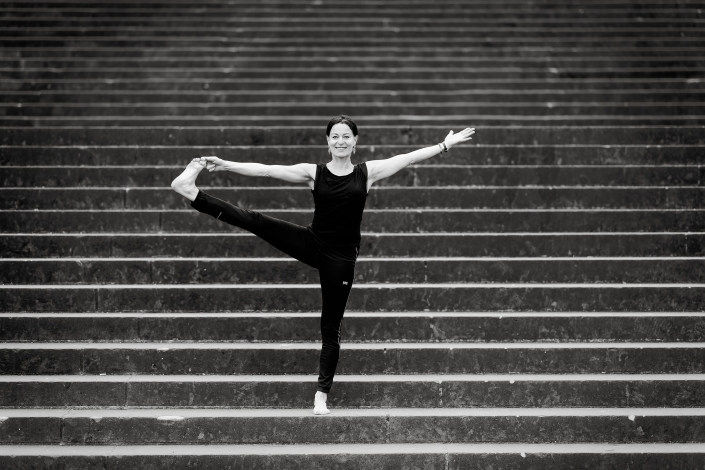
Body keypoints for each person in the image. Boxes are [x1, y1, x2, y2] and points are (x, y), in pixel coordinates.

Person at [171, 115, 475, 415]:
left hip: (341, 258)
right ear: (327, 142)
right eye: (335, 136)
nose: (340, 141)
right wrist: (225, 163)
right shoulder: (313, 172)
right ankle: (190, 190)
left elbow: (408, 157)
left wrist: (444, 145)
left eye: (346, 136)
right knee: (256, 221)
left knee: (331, 326)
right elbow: (266, 171)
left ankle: (321, 395)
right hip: (312, 242)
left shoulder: (367, 173)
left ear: (355, 142)